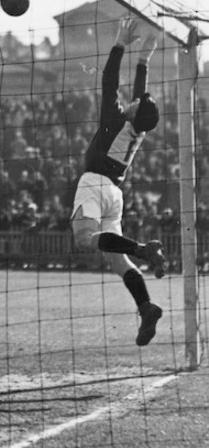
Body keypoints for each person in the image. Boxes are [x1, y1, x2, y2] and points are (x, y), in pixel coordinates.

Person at [71, 18, 165, 346]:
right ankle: (146, 306)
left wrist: (120, 44)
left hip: (95, 184)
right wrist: (144, 60)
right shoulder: (136, 127)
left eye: (136, 102)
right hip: (115, 192)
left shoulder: (115, 119)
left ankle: (142, 248)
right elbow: (143, 96)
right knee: (116, 258)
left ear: (134, 111)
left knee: (85, 239)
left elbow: (109, 80)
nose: (135, 98)